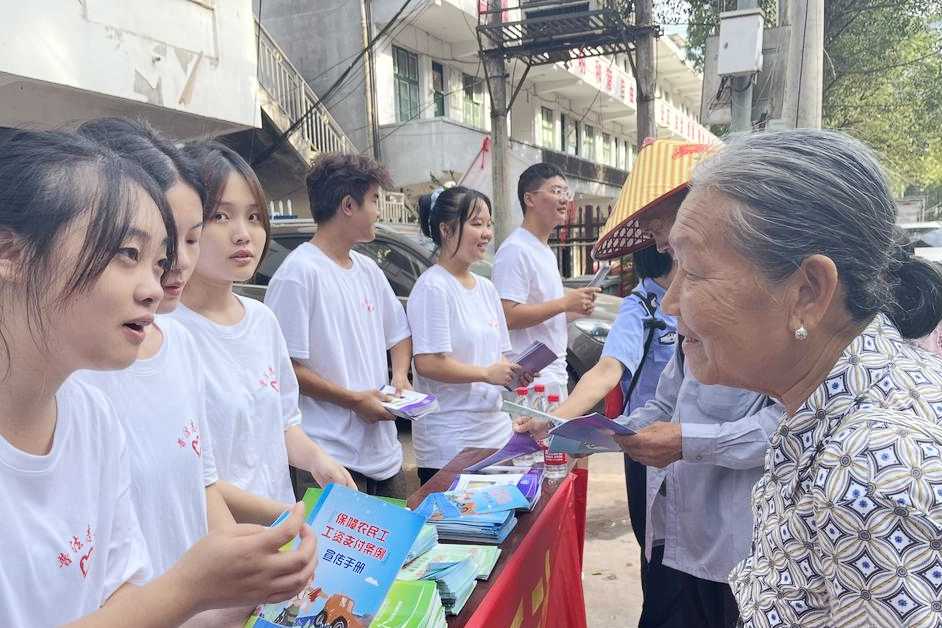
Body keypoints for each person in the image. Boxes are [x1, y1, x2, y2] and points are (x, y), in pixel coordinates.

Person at [0, 129, 317, 628]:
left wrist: (232, 585)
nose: (155, 287)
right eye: (127, 253)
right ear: (12, 253)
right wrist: (190, 589)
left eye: (162, 257)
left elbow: (122, 591)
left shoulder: (90, 419)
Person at [663, 129, 942, 627]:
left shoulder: (871, 468)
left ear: (809, 291)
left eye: (695, 271)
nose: (671, 301)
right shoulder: (829, 409)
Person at [519, 138, 784, 628]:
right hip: (683, 527)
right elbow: (663, 402)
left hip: (741, 543)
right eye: (666, 251)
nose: (673, 299)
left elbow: (785, 430)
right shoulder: (676, 315)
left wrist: (688, 442)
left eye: (678, 250)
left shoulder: (776, 319)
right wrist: (582, 432)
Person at [174, 142, 354, 525]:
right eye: (221, 216)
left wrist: (319, 461)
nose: (244, 234)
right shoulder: (166, 334)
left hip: (283, 537)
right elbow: (191, 474)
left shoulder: (262, 320)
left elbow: (284, 425)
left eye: (254, 216)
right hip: (223, 547)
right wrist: (289, 516)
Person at [264, 153, 412, 499]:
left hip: (384, 454)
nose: (377, 211)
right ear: (348, 204)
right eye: (374, 200)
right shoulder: (299, 274)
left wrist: (400, 378)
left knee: (400, 551)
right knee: (336, 555)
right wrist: (353, 400)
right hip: (328, 460)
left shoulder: (368, 270)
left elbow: (399, 333)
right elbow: (285, 369)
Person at [409, 186, 530, 484]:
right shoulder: (433, 287)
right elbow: (428, 363)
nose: (486, 233)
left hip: (496, 437)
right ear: (447, 229)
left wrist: (513, 373)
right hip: (449, 444)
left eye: (488, 224)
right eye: (476, 223)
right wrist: (486, 374)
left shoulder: (486, 288)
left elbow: (497, 355)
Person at [493, 163, 599, 399]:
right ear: (529, 199)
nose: (564, 200)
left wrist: (575, 309)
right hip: (528, 381)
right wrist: (563, 304)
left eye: (566, 193)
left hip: (553, 375)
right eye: (555, 191)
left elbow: (544, 315)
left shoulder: (544, 250)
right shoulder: (515, 250)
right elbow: (507, 315)